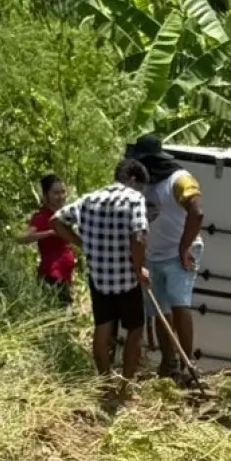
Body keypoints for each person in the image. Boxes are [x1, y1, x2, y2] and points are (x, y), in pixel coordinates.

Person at [52, 159, 151, 381]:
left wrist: (82, 242)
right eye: (140, 185)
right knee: (135, 329)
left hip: (99, 279)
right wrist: (139, 268)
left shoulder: (89, 199)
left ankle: (105, 382)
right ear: (132, 179)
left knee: (102, 328)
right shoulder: (134, 199)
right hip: (127, 279)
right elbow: (139, 237)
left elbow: (57, 221)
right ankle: (126, 383)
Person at [126, 134, 204, 382]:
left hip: (179, 253)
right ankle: (168, 363)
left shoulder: (179, 179)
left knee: (180, 305)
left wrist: (184, 247)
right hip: (154, 255)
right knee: (160, 310)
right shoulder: (144, 184)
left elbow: (197, 212)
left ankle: (186, 365)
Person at [17, 174, 77, 313]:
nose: (61, 196)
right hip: (52, 274)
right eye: (56, 193)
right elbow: (21, 238)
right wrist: (49, 233)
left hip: (65, 274)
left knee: (65, 312)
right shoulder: (42, 217)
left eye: (63, 192)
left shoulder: (66, 214)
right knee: (61, 313)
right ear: (46, 195)